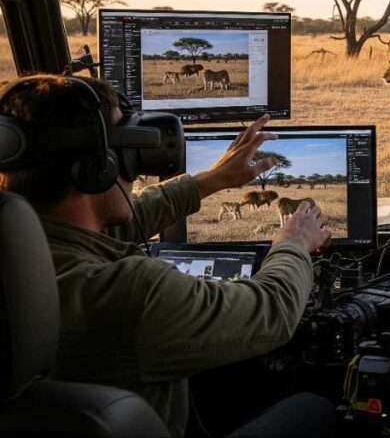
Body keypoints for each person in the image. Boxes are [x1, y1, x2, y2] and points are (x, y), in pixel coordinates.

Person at [0, 75, 335, 438]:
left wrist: (212, 180)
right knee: (315, 407)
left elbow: (121, 218)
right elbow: (273, 310)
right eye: (128, 149)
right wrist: (294, 242)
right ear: (101, 167)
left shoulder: (28, 252)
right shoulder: (131, 291)